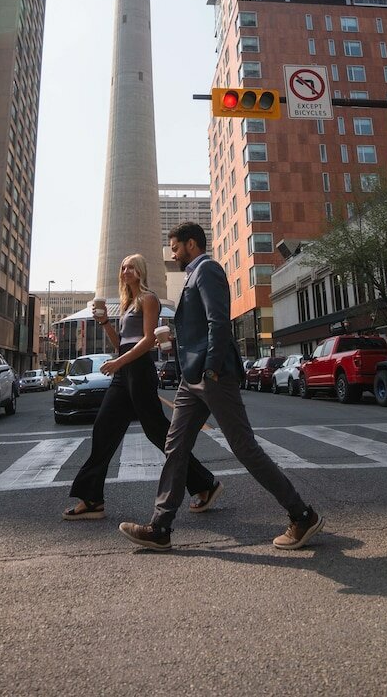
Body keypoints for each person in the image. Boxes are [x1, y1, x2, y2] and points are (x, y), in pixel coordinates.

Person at [118, 222, 324, 551]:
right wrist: (177, 344)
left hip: (211, 376)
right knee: (175, 446)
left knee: (244, 448)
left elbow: (218, 321)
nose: (172, 253)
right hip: (191, 378)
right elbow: (201, 326)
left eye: (175, 247)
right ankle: (160, 527)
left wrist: (211, 368)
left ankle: (302, 515)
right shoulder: (192, 275)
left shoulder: (208, 269)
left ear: (191, 244)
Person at [63, 253, 222, 520]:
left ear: (141, 271)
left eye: (131, 267)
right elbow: (121, 343)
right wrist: (103, 323)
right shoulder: (127, 304)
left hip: (138, 371)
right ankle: (92, 500)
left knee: (158, 432)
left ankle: (205, 484)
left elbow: (148, 340)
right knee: (104, 429)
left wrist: (118, 364)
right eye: (123, 267)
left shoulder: (148, 299)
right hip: (125, 371)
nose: (126, 271)